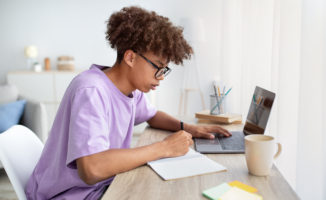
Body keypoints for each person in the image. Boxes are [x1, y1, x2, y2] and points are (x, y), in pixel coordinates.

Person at [25, 6, 231, 199]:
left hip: (100, 186)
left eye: (165, 69)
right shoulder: (91, 91)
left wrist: (190, 128)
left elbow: (151, 115)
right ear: (131, 58)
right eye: (158, 67)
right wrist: (163, 148)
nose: (161, 76)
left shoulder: (130, 89)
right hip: (71, 193)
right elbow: (91, 169)